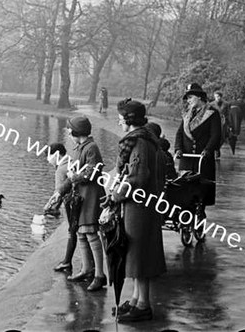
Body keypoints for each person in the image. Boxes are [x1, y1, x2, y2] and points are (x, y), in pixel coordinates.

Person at [109, 99, 166, 323]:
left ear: (129, 120)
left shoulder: (140, 143)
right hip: (142, 206)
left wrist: (115, 195)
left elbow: (137, 178)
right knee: (135, 253)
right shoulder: (144, 139)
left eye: (121, 117)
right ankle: (135, 299)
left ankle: (143, 305)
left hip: (140, 208)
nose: (118, 120)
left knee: (139, 254)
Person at [64, 116, 107, 291]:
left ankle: (100, 275)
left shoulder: (91, 148)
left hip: (91, 196)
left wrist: (75, 176)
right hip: (83, 195)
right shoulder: (82, 147)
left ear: (77, 132)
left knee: (90, 233)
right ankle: (87, 269)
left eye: (69, 131)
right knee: (81, 233)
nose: (68, 133)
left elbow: (94, 171)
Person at [174, 83, 221, 206]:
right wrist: (178, 149)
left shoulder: (212, 113)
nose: (188, 101)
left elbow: (215, 135)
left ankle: (198, 220)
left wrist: (208, 150)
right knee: (183, 194)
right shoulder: (186, 114)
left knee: (201, 195)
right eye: (187, 98)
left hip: (203, 160)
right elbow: (180, 133)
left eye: (190, 97)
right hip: (186, 159)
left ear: (199, 97)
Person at [42, 143, 76, 271]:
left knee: (72, 232)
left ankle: (67, 261)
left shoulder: (61, 169)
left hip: (69, 203)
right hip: (74, 201)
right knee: (77, 232)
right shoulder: (71, 162)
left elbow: (59, 192)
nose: (48, 160)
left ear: (57, 154)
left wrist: (51, 206)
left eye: (50, 156)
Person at [210, 90, 230, 158]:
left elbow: (228, 114)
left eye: (218, 96)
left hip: (223, 122)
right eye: (215, 97)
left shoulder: (226, 104)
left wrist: (229, 124)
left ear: (221, 97)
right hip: (214, 121)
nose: (217, 98)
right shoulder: (211, 104)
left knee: (223, 137)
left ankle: (218, 147)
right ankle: (216, 149)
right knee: (215, 135)